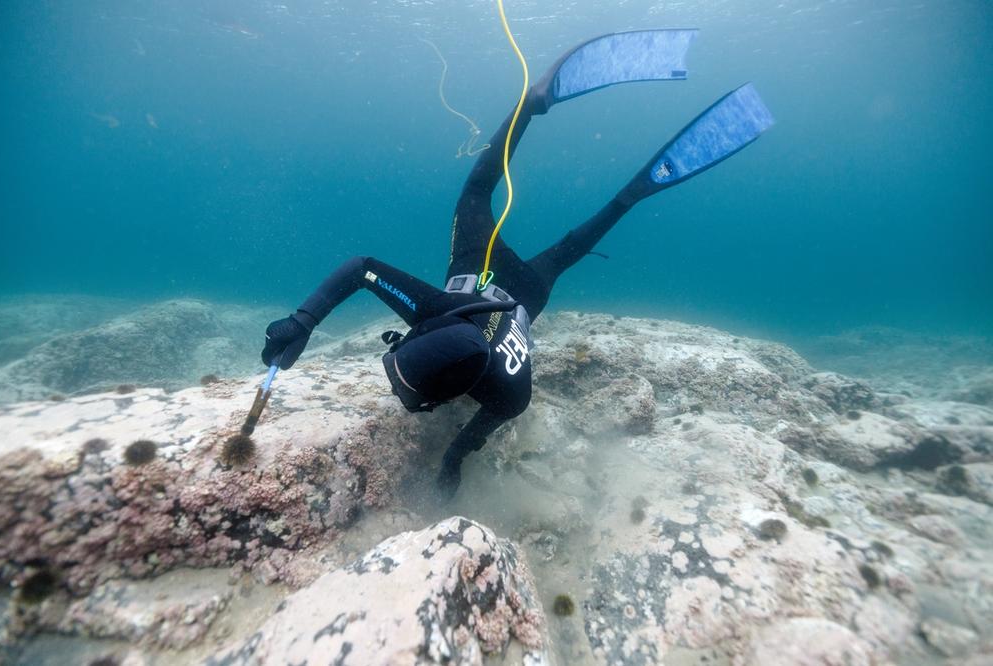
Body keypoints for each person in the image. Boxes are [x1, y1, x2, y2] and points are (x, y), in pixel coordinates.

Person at [261, 30, 773, 498]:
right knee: (492, 201)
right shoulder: (489, 372)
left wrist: (453, 461)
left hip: (518, 292)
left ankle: (615, 177)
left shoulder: (509, 391)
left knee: (540, 228)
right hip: (505, 287)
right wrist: (302, 322)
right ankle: (551, 123)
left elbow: (361, 269)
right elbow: (362, 267)